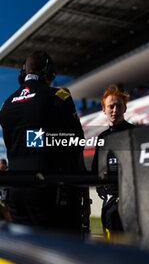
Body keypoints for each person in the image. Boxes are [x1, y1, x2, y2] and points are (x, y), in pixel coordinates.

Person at [0, 50, 90, 233]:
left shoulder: (6, 104)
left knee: (26, 257)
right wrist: (84, 196)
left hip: (16, 195)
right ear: (49, 72)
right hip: (51, 193)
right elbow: (76, 147)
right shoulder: (60, 96)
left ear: (23, 73)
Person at [92, 85, 135, 239]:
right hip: (110, 201)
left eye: (119, 106)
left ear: (125, 108)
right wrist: (99, 188)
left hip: (132, 200)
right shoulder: (102, 138)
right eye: (111, 106)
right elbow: (96, 168)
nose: (115, 110)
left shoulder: (135, 132)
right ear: (104, 109)